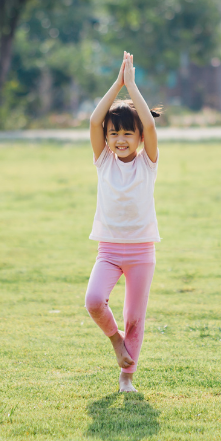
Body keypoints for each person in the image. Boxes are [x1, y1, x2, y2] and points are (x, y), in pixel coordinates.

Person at [84, 51, 161, 393]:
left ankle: (126, 377)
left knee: (135, 318)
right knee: (93, 301)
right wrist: (118, 85)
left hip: (142, 252)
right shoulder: (104, 161)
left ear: (139, 138)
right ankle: (116, 343)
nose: (120, 139)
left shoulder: (148, 163)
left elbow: (150, 124)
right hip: (109, 250)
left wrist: (133, 87)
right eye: (114, 133)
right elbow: (92, 122)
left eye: (128, 134)